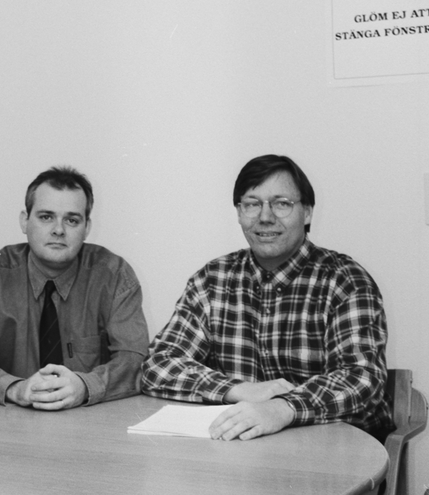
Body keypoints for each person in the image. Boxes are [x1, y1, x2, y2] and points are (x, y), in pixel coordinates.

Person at [142, 154, 390, 442]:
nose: (265, 216)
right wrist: (236, 389)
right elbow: (158, 365)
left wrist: (283, 408)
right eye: (252, 204)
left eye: (281, 203)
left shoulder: (345, 281)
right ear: (239, 213)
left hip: (336, 451)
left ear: (307, 213)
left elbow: (361, 378)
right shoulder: (212, 279)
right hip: (239, 451)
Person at [0, 166, 148, 409]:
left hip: (90, 419)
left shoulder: (114, 276)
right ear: (25, 221)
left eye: (72, 220)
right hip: (11, 418)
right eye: (46, 217)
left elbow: (133, 358)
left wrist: (85, 386)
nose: (58, 230)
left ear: (87, 228)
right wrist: (15, 389)